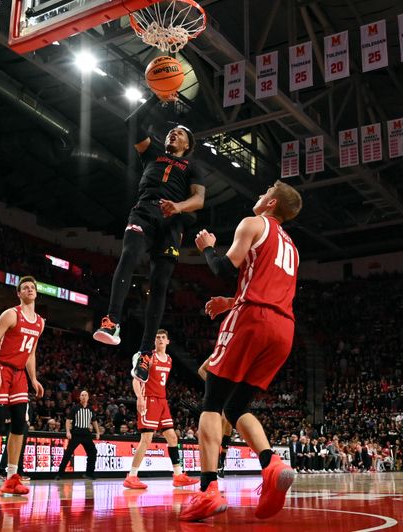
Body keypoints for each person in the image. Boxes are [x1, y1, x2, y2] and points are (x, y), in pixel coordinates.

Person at [180, 181, 303, 522]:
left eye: (264, 190)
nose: (259, 194)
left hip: (252, 320)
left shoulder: (253, 223)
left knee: (212, 401)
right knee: (237, 406)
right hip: (283, 330)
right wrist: (232, 301)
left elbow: (223, 269)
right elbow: (270, 291)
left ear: (272, 202)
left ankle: (207, 490)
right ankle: (271, 462)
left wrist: (208, 247)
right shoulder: (291, 246)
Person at [92, 94, 206, 382]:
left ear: (187, 145)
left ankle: (144, 354)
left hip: (172, 222)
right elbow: (132, 123)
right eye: (171, 131)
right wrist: (156, 98)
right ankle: (112, 320)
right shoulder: (153, 153)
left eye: (178, 133)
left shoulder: (192, 167)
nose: (173, 134)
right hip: (144, 211)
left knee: (159, 284)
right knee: (129, 255)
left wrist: (178, 207)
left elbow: (199, 199)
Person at [0, 276, 45, 496]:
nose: (30, 289)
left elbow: (31, 353)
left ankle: (12, 477)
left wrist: (33, 379)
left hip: (19, 373)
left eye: (32, 287)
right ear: (19, 293)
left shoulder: (40, 322)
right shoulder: (11, 314)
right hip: (0, 367)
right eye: (25, 288)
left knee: (20, 425)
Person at [123, 330, 198, 489]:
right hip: (149, 400)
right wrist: (140, 397)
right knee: (146, 440)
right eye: (158, 337)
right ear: (154, 341)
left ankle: (178, 475)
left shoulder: (169, 359)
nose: (161, 340)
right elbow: (136, 380)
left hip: (162, 401)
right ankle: (131, 476)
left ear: (168, 341)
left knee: (172, 437)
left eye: (163, 337)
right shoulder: (148, 357)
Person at [197, 357, 233, 478]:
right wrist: (212, 386)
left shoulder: (239, 354)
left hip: (232, 394)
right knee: (222, 423)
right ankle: (215, 464)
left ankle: (221, 463)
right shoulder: (218, 354)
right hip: (219, 396)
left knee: (228, 427)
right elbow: (201, 370)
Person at [56, 390, 100, 480]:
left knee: (93, 452)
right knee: (68, 453)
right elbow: (68, 420)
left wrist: (98, 432)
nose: (83, 397)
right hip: (76, 433)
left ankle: (89, 473)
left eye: (85, 395)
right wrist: (68, 431)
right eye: (82, 395)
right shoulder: (75, 408)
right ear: (80, 397)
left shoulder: (90, 409)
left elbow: (94, 421)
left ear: (88, 397)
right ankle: (60, 474)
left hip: (86, 434)